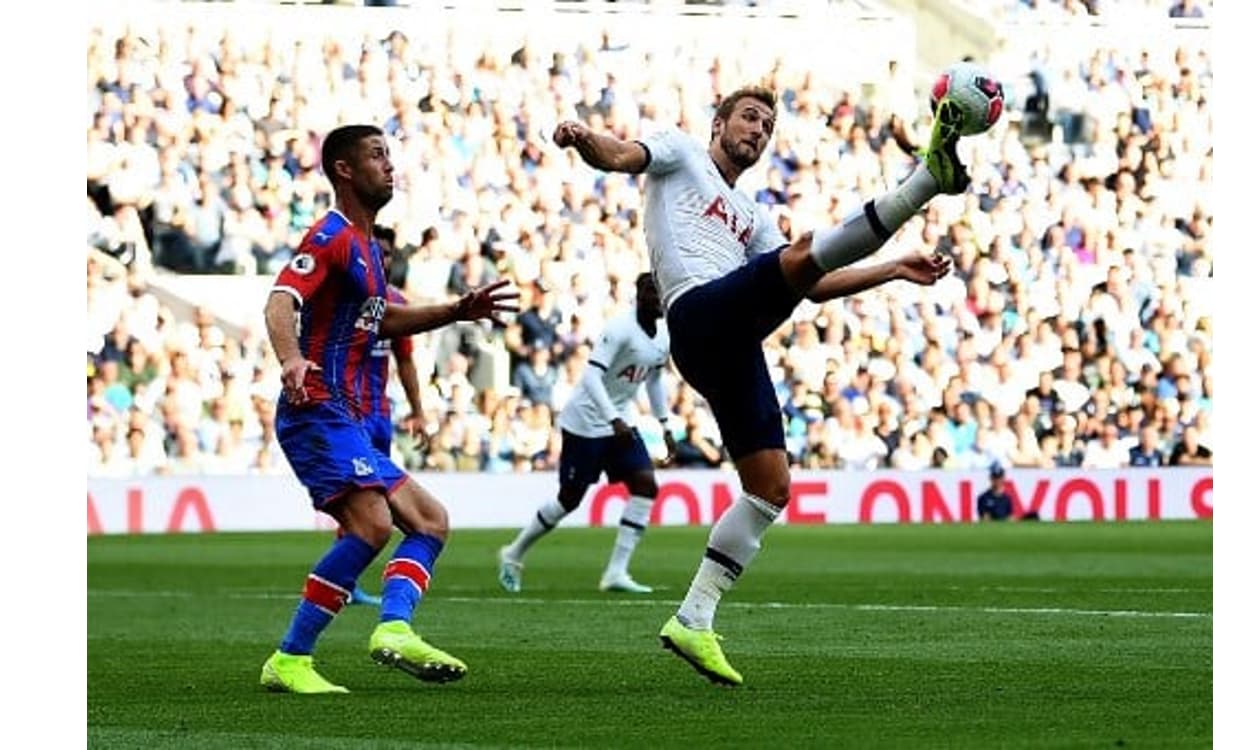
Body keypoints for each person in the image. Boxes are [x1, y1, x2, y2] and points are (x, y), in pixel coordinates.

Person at [553, 84, 967, 684]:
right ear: (717, 122)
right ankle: (925, 181)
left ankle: (694, 618)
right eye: (748, 117)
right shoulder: (680, 151)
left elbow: (813, 285)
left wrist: (894, 270)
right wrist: (583, 137)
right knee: (800, 254)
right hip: (696, 313)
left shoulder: (753, 217)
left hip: (733, 340)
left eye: (767, 126)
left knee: (771, 487)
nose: (758, 130)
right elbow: (618, 155)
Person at [259, 124, 518, 694]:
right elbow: (281, 301)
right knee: (373, 525)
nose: (389, 165)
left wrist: (456, 310)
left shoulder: (370, 249)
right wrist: (291, 359)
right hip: (317, 406)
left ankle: (394, 628)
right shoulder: (329, 235)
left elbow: (385, 321)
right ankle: (290, 659)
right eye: (377, 156)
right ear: (345, 171)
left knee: (430, 523)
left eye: (389, 155)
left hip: (348, 416)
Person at [497, 273, 675, 595]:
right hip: (586, 422)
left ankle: (616, 572)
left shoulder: (664, 334)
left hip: (620, 421)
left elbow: (653, 380)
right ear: (639, 294)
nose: (657, 298)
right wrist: (613, 419)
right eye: (651, 292)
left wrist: (665, 424)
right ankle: (514, 552)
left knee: (646, 485)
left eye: (660, 292)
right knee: (569, 500)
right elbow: (591, 378)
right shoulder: (620, 329)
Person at [345, 223, 427, 607]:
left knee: (370, 499)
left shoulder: (396, 303)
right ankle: (345, 581)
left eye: (389, 254)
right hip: (348, 412)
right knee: (367, 499)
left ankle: (347, 581)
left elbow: (406, 362)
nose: (384, 259)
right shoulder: (346, 301)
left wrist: (419, 411)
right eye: (377, 252)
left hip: (380, 414)